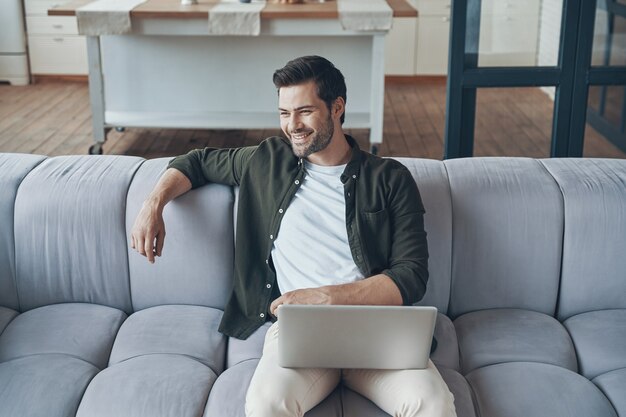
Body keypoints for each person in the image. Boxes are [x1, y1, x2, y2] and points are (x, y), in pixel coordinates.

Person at [130, 55, 456, 417]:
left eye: (304, 111)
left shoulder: (390, 178)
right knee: (265, 405)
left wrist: (325, 298)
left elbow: (412, 275)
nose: (292, 126)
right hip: (298, 332)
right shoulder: (268, 160)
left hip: (375, 326)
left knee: (435, 405)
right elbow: (195, 162)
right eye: (284, 113)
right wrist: (152, 204)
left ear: (337, 107)